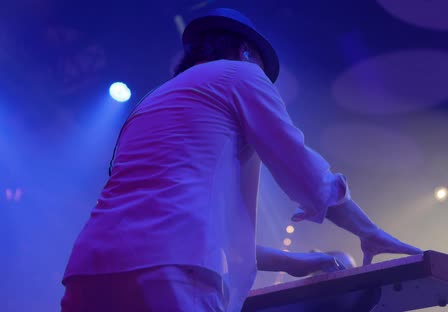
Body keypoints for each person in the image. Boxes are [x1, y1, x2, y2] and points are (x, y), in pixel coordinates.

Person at [60, 8, 422, 312]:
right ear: (247, 52)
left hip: (89, 272)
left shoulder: (149, 103)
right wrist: (367, 231)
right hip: (170, 270)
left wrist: (299, 262)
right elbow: (307, 175)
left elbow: (188, 225)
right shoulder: (241, 74)